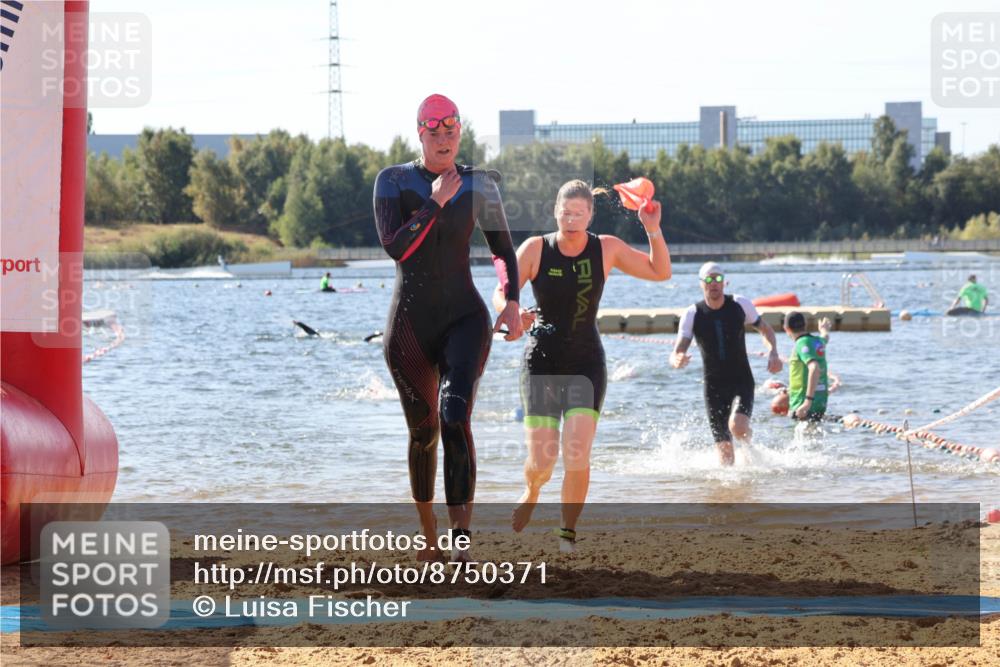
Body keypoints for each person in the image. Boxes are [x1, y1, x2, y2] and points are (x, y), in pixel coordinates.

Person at [373, 94, 522, 563]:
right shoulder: (393, 182)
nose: (443, 140)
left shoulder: (480, 185)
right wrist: (435, 202)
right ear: (420, 134)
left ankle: (461, 541)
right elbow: (396, 247)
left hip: (464, 319)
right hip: (410, 328)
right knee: (424, 433)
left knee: (456, 416)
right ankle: (429, 536)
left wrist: (512, 300)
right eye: (434, 132)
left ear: (460, 133)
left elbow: (502, 250)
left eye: (451, 131)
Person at [493, 179, 671, 550]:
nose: (571, 220)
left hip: (586, 362)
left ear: (590, 215)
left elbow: (660, 271)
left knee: (577, 453)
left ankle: (566, 531)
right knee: (542, 460)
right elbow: (502, 291)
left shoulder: (606, 248)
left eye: (579, 213)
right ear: (555, 212)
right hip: (541, 362)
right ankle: (532, 490)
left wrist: (652, 229)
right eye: (566, 213)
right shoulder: (536, 248)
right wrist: (511, 311)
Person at [670, 262, 782, 465]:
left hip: (741, 380)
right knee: (725, 457)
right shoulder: (692, 314)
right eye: (709, 279)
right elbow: (678, 349)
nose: (714, 283)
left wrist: (773, 352)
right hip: (713, 387)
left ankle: (750, 449)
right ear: (701, 283)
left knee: (737, 427)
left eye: (718, 279)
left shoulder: (739, 304)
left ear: (725, 283)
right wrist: (677, 358)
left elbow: (765, 329)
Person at [770, 316, 832, 419]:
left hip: (802, 406)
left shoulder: (801, 343)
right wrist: (824, 330)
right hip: (819, 404)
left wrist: (807, 401)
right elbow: (825, 338)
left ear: (786, 328)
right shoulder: (818, 342)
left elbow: (814, 367)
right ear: (805, 325)